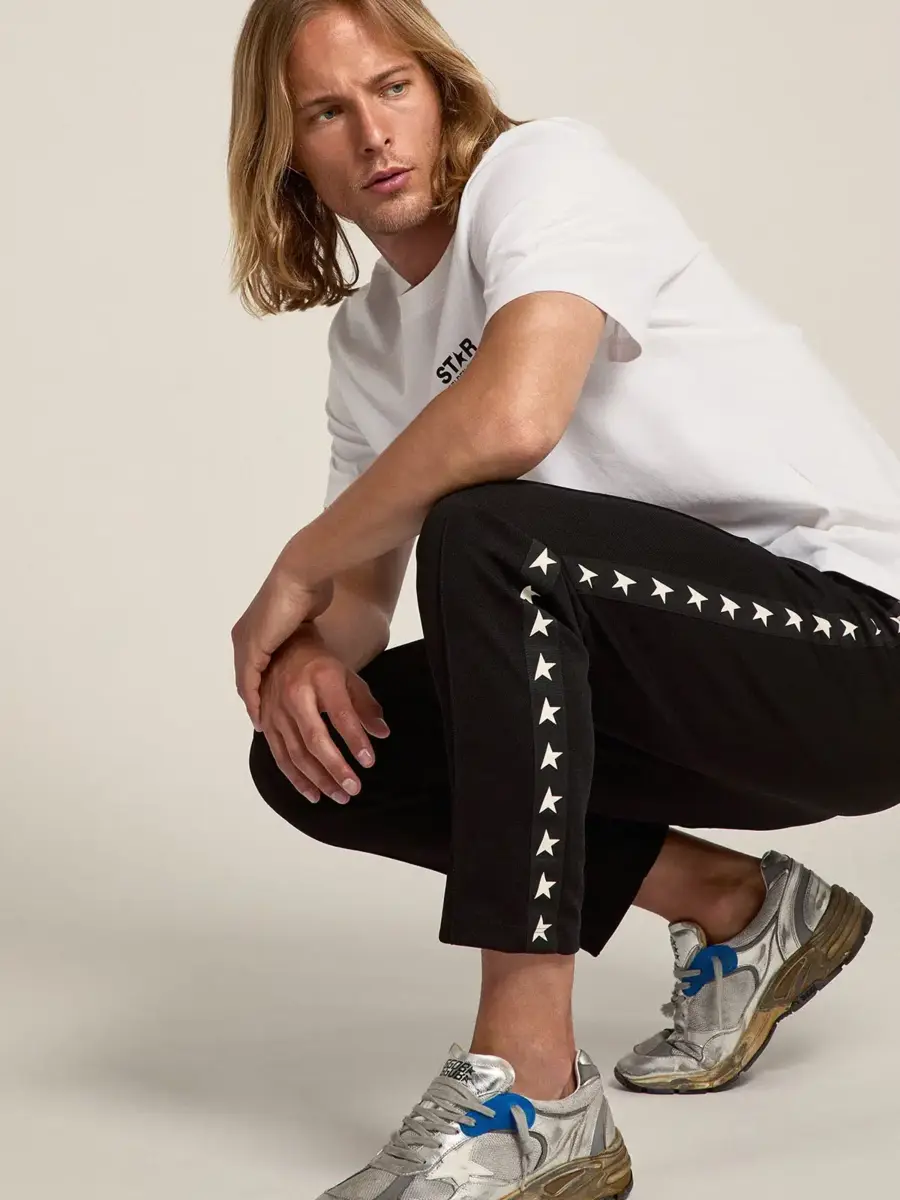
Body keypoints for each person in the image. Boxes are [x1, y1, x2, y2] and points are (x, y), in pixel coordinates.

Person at [226, 1, 900, 1195]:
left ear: (440, 88)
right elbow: (363, 599)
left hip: (859, 650)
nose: (373, 134)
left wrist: (295, 564)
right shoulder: (371, 345)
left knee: (493, 537)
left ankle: (531, 1090)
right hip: (694, 688)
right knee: (323, 752)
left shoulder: (544, 175)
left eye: (392, 88)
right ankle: (742, 909)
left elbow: (517, 414)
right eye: (326, 112)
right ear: (288, 157)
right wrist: (311, 655)